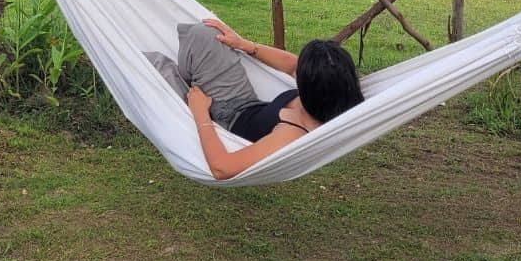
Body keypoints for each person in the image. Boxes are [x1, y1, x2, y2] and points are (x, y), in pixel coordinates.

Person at [146, 19, 365, 180]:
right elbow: (291, 65)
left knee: (148, 66)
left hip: (220, 120)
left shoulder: (291, 134)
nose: (297, 69)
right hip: (243, 99)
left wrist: (201, 113)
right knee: (206, 33)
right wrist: (244, 44)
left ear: (311, 87)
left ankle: (184, 81)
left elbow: (222, 168)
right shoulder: (332, 91)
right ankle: (189, 76)